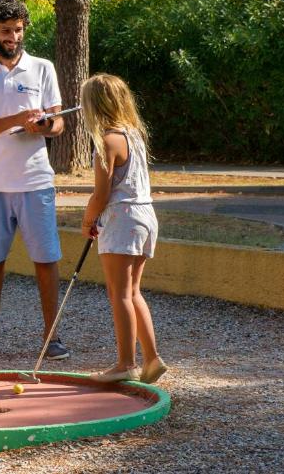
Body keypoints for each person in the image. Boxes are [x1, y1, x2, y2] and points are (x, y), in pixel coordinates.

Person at [0, 0, 70, 363]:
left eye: (19, 30)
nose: (14, 37)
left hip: (36, 180)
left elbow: (59, 123)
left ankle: (51, 338)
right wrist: (14, 120)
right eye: (7, 31)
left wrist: (44, 125)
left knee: (46, 259)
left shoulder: (43, 68)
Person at [80, 73, 167, 384]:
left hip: (121, 219)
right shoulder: (133, 136)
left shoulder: (106, 142)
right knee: (132, 291)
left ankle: (125, 363)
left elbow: (101, 194)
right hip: (145, 216)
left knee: (119, 294)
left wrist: (88, 220)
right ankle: (152, 359)